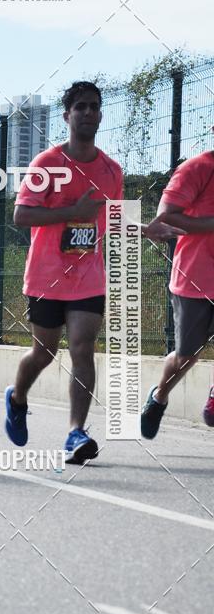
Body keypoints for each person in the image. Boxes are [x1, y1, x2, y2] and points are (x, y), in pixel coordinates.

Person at [7, 81, 183, 463]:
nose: (88, 112)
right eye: (81, 107)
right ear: (67, 116)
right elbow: (21, 215)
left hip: (87, 277)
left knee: (83, 348)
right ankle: (17, 398)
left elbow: (111, 219)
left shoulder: (110, 170)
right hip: (46, 276)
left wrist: (146, 229)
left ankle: (76, 432)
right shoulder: (47, 164)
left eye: (94, 107)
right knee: (43, 353)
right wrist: (71, 212)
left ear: (100, 115)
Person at [141, 149, 214, 436]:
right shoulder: (197, 168)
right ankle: (159, 396)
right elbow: (165, 216)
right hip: (195, 277)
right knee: (187, 356)